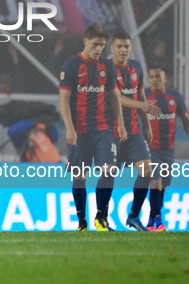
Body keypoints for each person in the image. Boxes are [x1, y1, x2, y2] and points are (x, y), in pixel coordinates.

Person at [59, 23, 127, 232]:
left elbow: (114, 96)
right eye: (95, 44)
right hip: (79, 131)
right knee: (79, 175)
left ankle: (101, 218)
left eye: (102, 45)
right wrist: (69, 128)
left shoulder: (107, 65)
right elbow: (63, 99)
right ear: (85, 41)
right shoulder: (71, 65)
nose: (99, 49)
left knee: (109, 170)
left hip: (103, 129)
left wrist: (121, 124)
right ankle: (82, 223)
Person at [109, 32, 161, 231]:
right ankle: (102, 218)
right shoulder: (105, 69)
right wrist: (142, 105)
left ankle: (133, 216)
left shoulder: (136, 67)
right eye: (119, 46)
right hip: (111, 130)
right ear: (112, 48)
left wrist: (146, 125)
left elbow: (141, 94)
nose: (123, 50)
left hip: (133, 129)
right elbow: (116, 97)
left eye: (126, 47)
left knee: (147, 169)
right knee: (108, 174)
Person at [144, 65, 189, 231]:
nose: (154, 80)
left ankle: (151, 221)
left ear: (164, 78)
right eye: (151, 77)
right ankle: (159, 221)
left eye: (158, 76)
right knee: (155, 180)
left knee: (163, 185)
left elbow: (186, 119)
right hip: (150, 148)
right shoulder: (144, 95)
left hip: (169, 148)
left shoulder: (174, 96)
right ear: (148, 80)